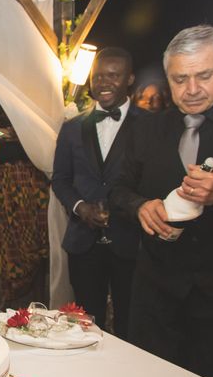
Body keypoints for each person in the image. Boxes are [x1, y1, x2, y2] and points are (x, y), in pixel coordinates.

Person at [110, 25, 213, 377]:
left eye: (203, 75)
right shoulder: (146, 129)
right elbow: (118, 190)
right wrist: (140, 206)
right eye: (180, 78)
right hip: (155, 297)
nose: (191, 89)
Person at [52, 47, 144, 340]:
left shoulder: (150, 127)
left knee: (133, 321)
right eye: (99, 76)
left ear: (129, 79)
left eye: (113, 76)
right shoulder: (71, 128)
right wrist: (80, 207)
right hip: (84, 241)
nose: (104, 83)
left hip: (132, 240)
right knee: (87, 325)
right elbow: (61, 179)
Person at [0, 105, 49, 309]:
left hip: (34, 192)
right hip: (3, 196)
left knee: (38, 247)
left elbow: (41, 154)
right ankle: (12, 299)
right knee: (7, 245)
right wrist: (2, 138)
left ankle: (40, 301)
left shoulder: (38, 121)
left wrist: (20, 139)